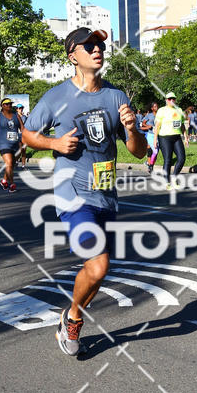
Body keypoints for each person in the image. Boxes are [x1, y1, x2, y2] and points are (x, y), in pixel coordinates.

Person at [21, 26, 147, 356]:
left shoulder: (116, 96)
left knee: (95, 272)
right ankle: (73, 318)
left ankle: (71, 316)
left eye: (99, 45)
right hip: (72, 193)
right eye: (88, 45)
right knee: (99, 265)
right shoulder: (56, 97)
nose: (96, 49)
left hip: (105, 193)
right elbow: (28, 134)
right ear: (72, 56)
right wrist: (54, 143)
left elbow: (138, 151)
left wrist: (132, 130)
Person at [0, 98, 25, 192]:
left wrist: (26, 138)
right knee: (9, 162)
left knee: (11, 164)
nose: (9, 106)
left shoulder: (16, 116)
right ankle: (12, 184)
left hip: (15, 143)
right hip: (3, 143)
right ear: (2, 106)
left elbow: (22, 128)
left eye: (10, 104)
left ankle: (4, 180)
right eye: (7, 104)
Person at [153, 92, 188, 190]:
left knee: (181, 158)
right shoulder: (162, 110)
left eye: (173, 98)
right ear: (166, 100)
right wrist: (155, 139)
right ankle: (166, 182)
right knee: (168, 160)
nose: (171, 100)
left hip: (176, 137)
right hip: (164, 137)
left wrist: (186, 137)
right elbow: (157, 126)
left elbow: (182, 125)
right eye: (169, 99)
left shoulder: (179, 110)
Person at [140, 101, 159, 174]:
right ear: (152, 108)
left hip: (158, 135)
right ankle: (150, 165)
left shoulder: (160, 115)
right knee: (152, 150)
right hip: (150, 134)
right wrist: (148, 126)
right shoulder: (149, 115)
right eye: (154, 106)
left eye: (157, 106)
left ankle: (151, 166)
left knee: (156, 152)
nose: (156, 107)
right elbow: (143, 123)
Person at [16, 103, 28, 169]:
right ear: (17, 109)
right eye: (20, 108)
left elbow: (27, 126)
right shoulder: (15, 117)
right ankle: (16, 161)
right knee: (19, 150)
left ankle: (23, 165)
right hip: (17, 135)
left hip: (24, 135)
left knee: (24, 150)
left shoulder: (25, 117)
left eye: (22, 108)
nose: (21, 109)